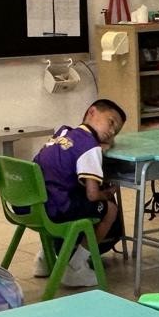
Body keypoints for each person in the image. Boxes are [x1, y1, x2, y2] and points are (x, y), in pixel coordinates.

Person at [31, 99, 128, 288]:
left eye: (116, 131)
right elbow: (93, 195)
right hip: (57, 210)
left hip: (35, 207)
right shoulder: (89, 147)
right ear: (92, 112)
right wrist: (107, 194)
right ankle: (76, 266)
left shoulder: (62, 133)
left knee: (67, 192)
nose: (111, 132)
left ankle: (44, 258)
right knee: (110, 210)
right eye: (111, 122)